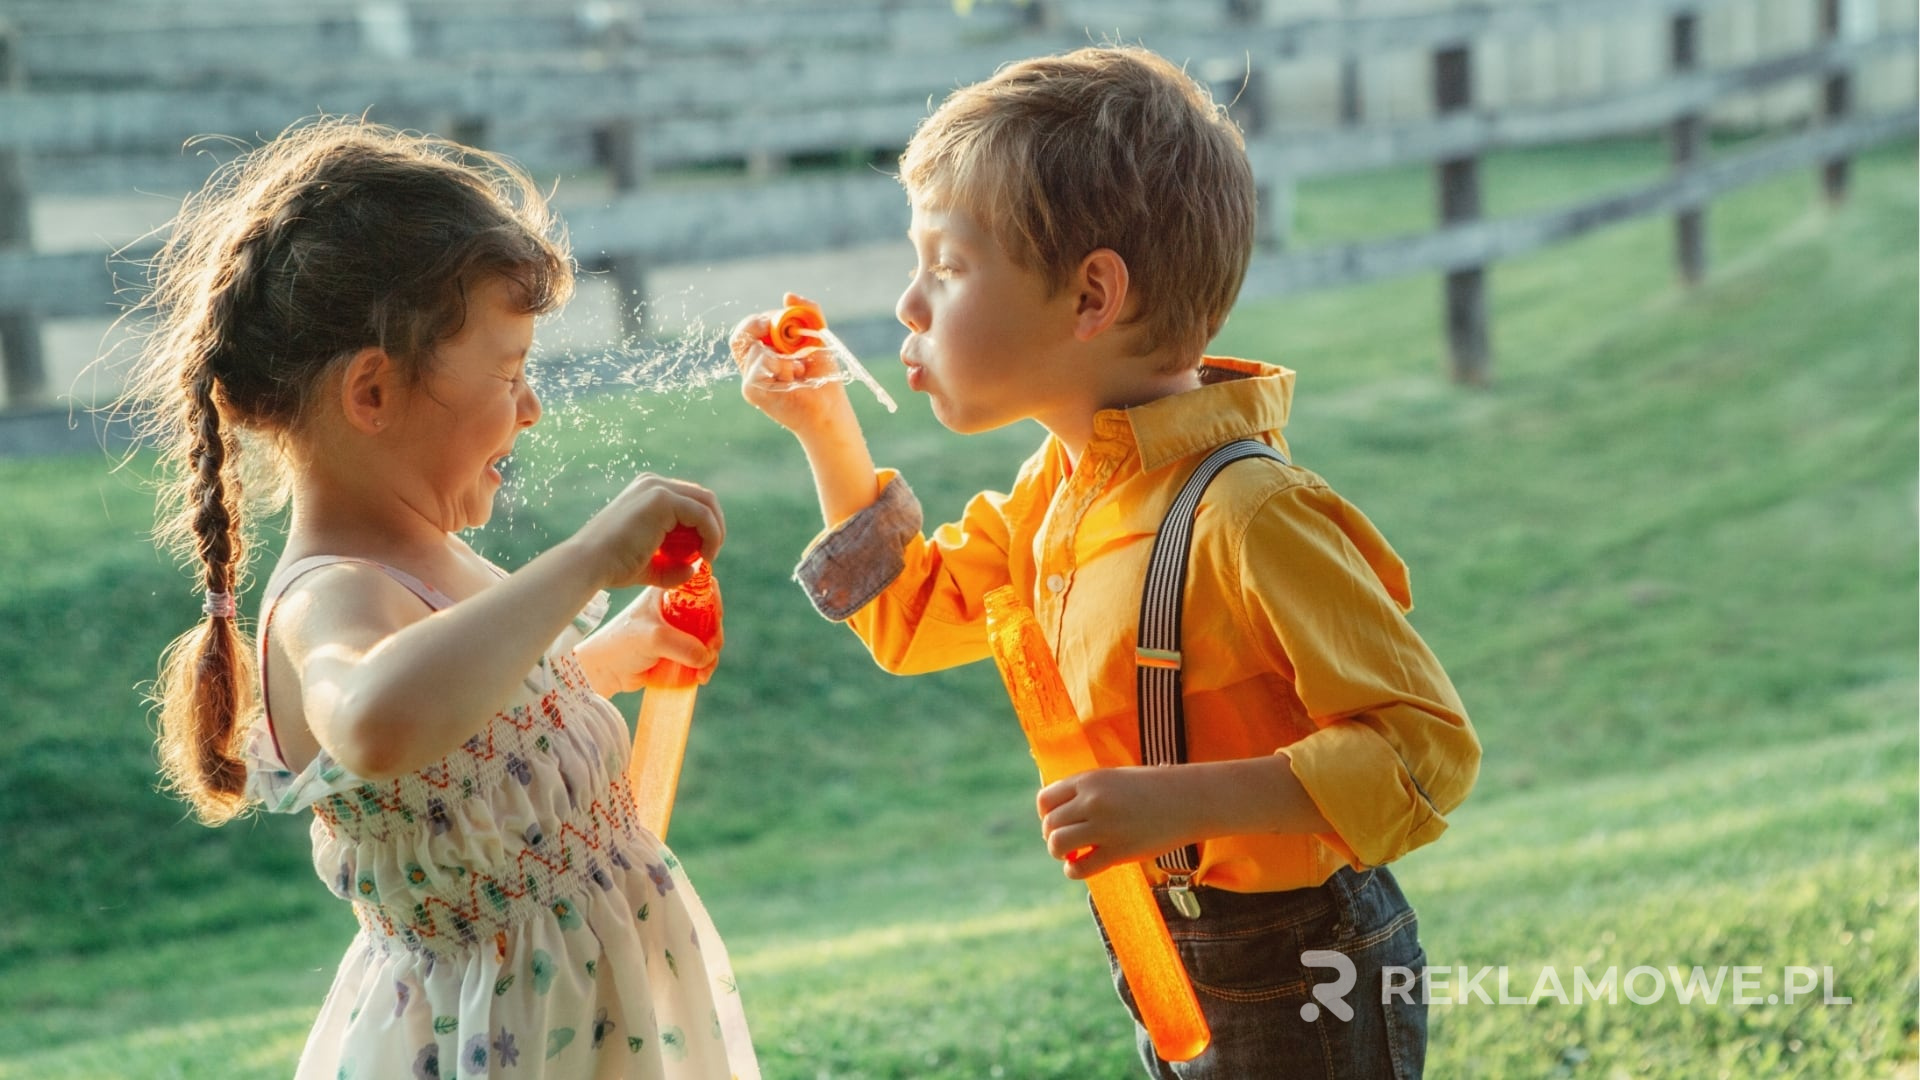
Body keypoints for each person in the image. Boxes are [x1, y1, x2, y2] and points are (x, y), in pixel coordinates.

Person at [732, 47, 1478, 1077]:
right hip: (1162, 945)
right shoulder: (1058, 493)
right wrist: (825, 427)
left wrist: (1178, 804)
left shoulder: (1250, 513)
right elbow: (910, 618)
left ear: (1091, 299)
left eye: (945, 269)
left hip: (1301, 957)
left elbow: (1422, 754)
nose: (908, 306)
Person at [122, 118, 759, 1079]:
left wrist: (604, 662)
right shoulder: (329, 600)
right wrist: (586, 559)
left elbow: (460, 751)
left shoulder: (431, 558)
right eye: (508, 373)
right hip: (498, 1042)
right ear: (371, 392)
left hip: (582, 1018)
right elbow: (379, 723)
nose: (531, 405)